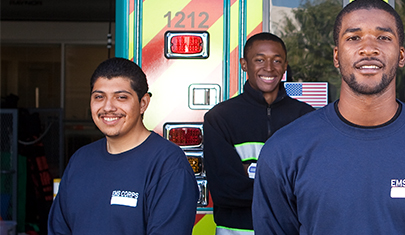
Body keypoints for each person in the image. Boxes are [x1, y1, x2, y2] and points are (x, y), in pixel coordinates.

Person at [252, 0, 405, 234]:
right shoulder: (284, 150)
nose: (369, 49)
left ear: (401, 55)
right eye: (354, 38)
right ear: (336, 56)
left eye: (383, 37)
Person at [48, 58, 198, 234]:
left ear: (143, 103)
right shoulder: (80, 159)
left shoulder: (168, 165)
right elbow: (58, 229)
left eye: (121, 97)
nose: (108, 107)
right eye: (99, 97)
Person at [203, 32, 314, 235]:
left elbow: (313, 187)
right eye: (259, 60)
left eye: (277, 60)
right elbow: (225, 191)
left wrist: (250, 173)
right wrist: (286, 185)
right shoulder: (219, 117)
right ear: (244, 64)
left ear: (285, 65)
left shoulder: (307, 117)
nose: (269, 68)